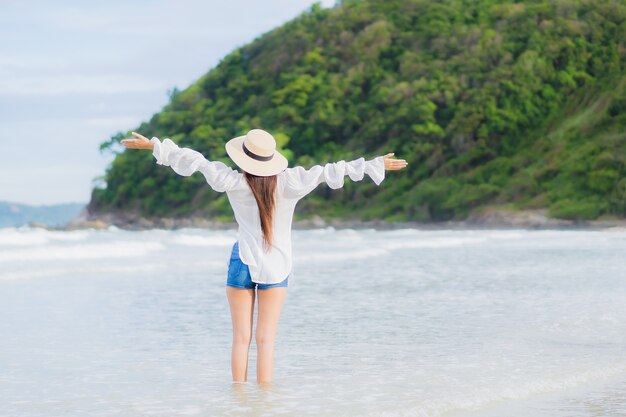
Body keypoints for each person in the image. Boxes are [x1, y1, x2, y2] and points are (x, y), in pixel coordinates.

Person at [121, 128, 408, 383]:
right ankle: (264, 406)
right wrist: (374, 165)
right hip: (276, 264)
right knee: (266, 340)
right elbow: (331, 170)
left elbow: (196, 161)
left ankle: (240, 404)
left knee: (240, 339)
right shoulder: (292, 182)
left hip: (241, 261)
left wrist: (153, 146)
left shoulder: (232, 182)